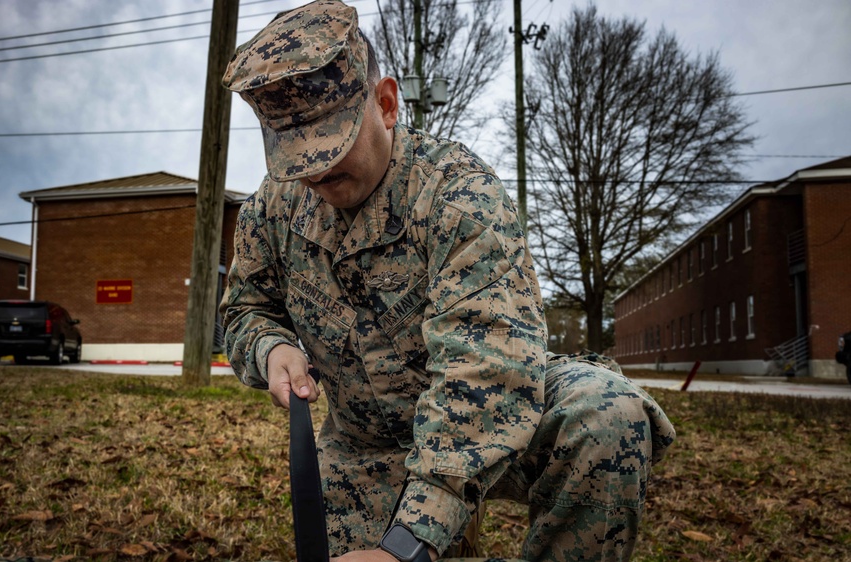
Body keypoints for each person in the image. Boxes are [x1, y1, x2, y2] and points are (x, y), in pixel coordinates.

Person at [219, 1, 675, 560]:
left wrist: (409, 543)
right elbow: (245, 309)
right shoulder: (271, 210)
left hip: (498, 410)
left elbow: (483, 372)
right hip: (364, 446)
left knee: (607, 412)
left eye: (331, 144)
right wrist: (271, 348)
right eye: (295, 156)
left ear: (385, 104)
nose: (313, 172)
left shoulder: (459, 196)